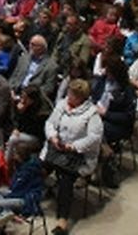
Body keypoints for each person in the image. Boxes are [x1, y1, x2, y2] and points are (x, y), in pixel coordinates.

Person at [41, 79, 103, 235]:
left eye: (72, 94)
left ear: (81, 98)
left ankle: (62, 221)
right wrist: (53, 137)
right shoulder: (62, 105)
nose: (68, 96)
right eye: (68, 92)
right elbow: (50, 123)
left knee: (66, 180)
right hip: (57, 148)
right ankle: (28, 198)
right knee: (37, 168)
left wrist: (73, 146)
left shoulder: (92, 114)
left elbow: (94, 138)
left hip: (78, 156)